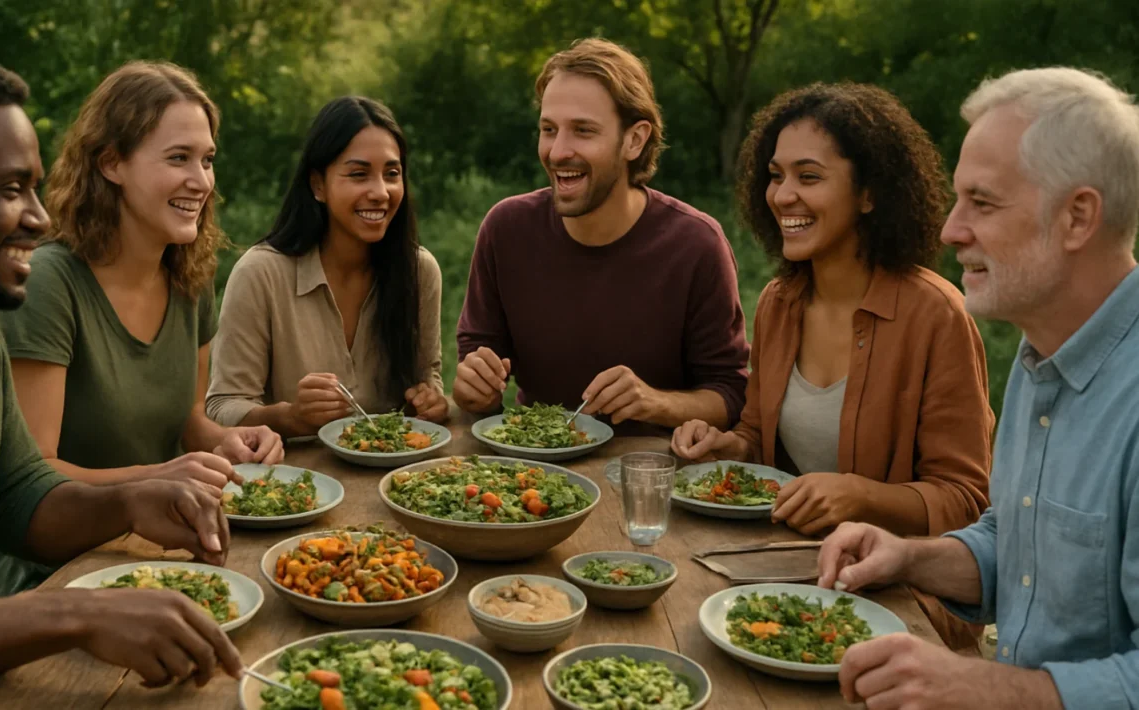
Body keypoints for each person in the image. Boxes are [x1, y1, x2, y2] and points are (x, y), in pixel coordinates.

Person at [0, 53, 243, 710]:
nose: (41, 218)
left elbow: (20, 496)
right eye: (9, 189)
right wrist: (77, 614)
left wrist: (130, 502)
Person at [817, 67, 1139, 710]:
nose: (950, 230)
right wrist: (908, 557)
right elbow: (1019, 551)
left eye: (982, 203)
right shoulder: (1042, 352)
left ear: (1078, 217)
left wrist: (984, 686)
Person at [670, 83, 994, 649]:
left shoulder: (936, 315)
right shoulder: (779, 302)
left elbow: (966, 501)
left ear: (868, 193)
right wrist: (728, 446)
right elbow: (758, 435)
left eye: (809, 176)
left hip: (900, 598)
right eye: (776, 175)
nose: (783, 195)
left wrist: (860, 495)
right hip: (788, 572)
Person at [0, 61, 284, 598]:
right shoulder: (49, 285)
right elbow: (33, 476)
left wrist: (227, 442)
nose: (201, 181)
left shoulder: (190, 276)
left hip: (159, 559)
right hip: (50, 581)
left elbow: (188, 420)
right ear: (111, 163)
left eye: (207, 159)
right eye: (178, 158)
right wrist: (159, 478)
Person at [454, 38, 749, 434]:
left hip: (653, 465)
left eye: (583, 131)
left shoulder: (697, 245)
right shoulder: (505, 230)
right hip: (536, 464)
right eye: (548, 129)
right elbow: (477, 374)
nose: (558, 151)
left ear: (634, 140)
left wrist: (654, 402)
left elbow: (730, 394)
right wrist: (476, 389)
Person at [206, 96, 446, 436]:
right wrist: (291, 416)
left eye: (392, 174)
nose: (381, 192)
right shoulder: (260, 274)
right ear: (318, 185)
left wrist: (430, 401)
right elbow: (222, 407)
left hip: (398, 467)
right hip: (290, 469)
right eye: (359, 174)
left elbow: (428, 379)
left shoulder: (419, 271)